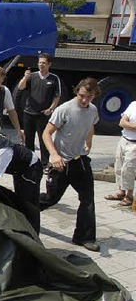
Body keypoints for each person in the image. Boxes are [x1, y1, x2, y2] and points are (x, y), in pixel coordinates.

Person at [38, 78, 101, 252]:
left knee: (87, 199)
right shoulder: (64, 109)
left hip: (80, 161)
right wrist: (54, 155)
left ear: (94, 96)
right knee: (51, 198)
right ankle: (23, 211)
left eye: (89, 97)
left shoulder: (93, 110)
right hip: (61, 163)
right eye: (82, 95)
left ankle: (84, 237)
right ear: (77, 91)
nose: (84, 100)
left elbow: (90, 126)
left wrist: (89, 142)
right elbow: (46, 134)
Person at [17, 53, 62, 169]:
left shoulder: (54, 78)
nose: (41, 65)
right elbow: (21, 87)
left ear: (49, 64)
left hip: (44, 114)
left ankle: (45, 163)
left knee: (44, 139)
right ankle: (30, 161)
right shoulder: (32, 76)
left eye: (44, 63)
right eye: (40, 62)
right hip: (29, 113)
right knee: (28, 139)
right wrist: (25, 78)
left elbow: (57, 96)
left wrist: (51, 109)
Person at [104, 100, 136, 208]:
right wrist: (132, 126)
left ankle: (129, 196)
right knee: (119, 166)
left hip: (134, 144)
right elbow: (122, 122)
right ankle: (121, 191)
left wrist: (128, 125)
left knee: (128, 169)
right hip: (124, 139)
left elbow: (125, 123)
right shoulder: (133, 104)